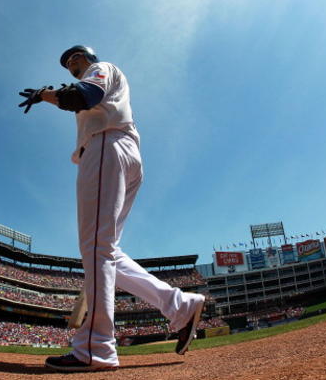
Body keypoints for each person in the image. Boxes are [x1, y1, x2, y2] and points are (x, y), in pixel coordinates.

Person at [18, 45, 205, 372]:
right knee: (107, 252)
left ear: (88, 57)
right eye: (67, 63)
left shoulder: (100, 68)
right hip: (119, 151)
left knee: (95, 247)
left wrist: (48, 95)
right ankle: (179, 305)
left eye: (75, 58)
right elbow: (79, 98)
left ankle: (96, 346)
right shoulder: (91, 78)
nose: (71, 64)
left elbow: (84, 96)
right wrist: (53, 95)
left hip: (107, 147)